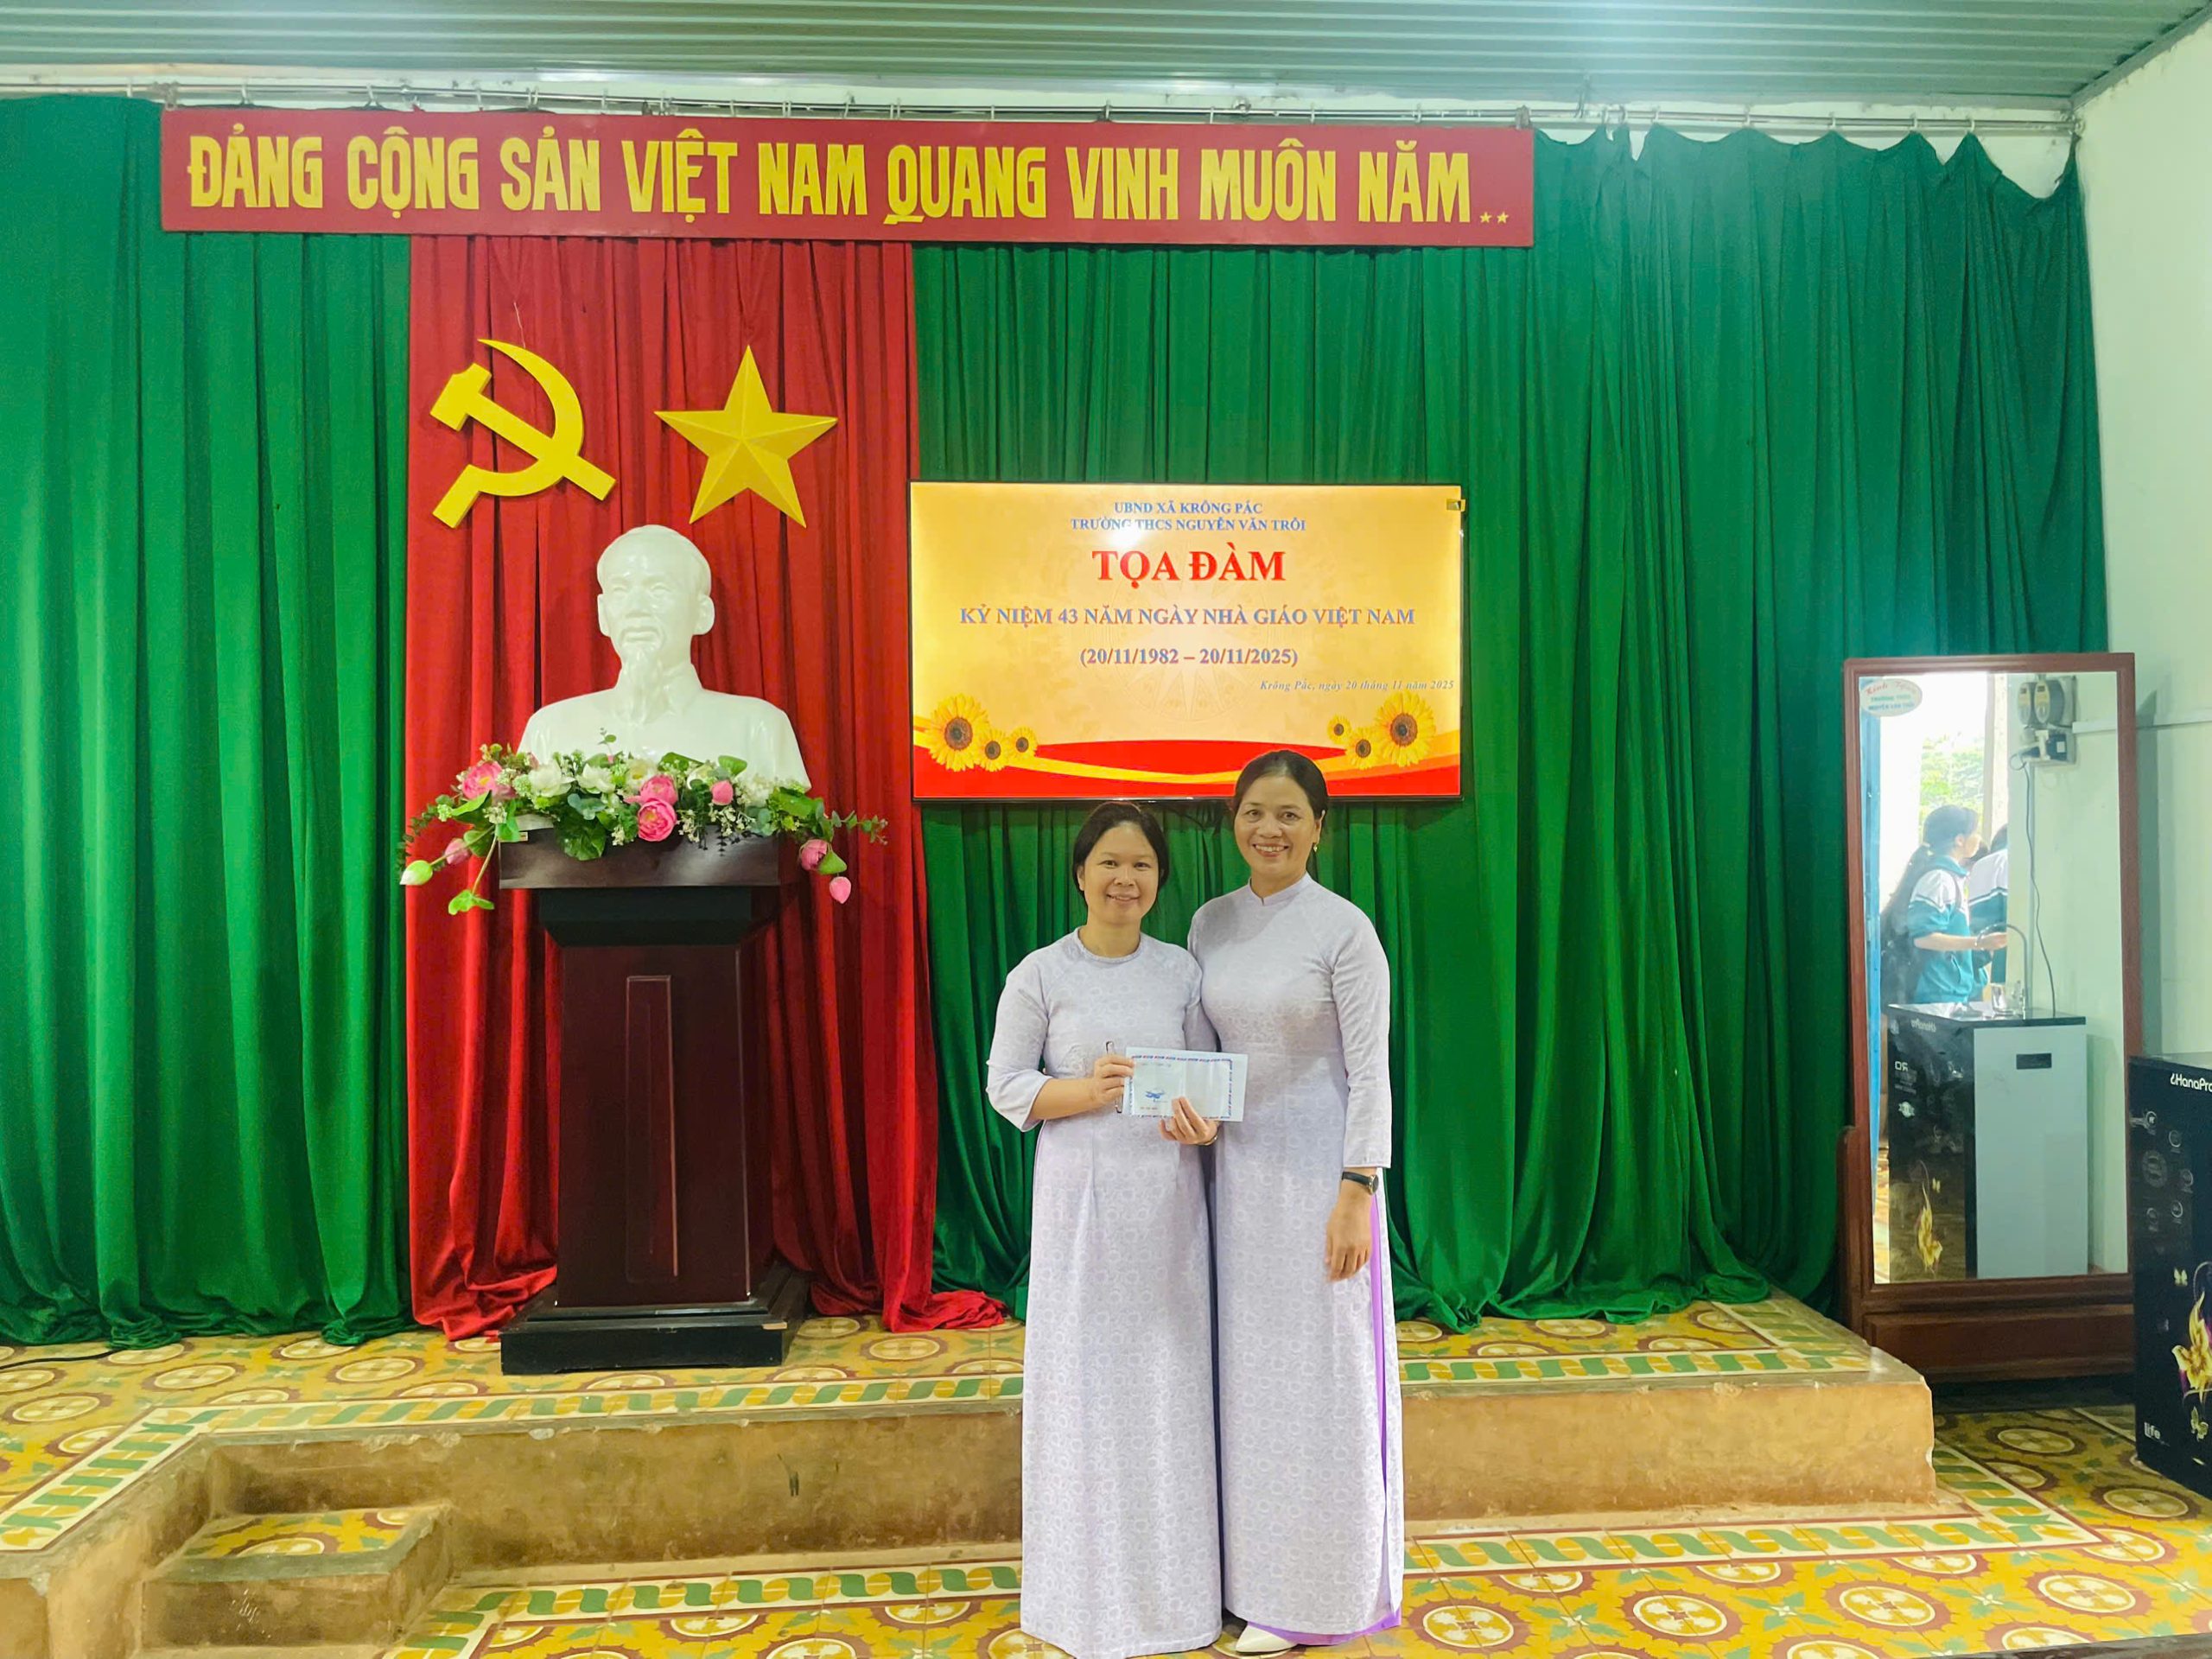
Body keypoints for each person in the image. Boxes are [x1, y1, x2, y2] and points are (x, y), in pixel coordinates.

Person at [985, 801, 1223, 1659]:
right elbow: (1006, 1086)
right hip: (1080, 1205)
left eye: (1142, 865)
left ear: (1160, 880)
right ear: (1080, 873)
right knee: (1083, 1386)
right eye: (1110, 863)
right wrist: (1088, 1091)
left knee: (1166, 1383)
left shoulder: (1182, 973)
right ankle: (1079, 1594)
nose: (1126, 879)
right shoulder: (1040, 975)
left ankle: (1175, 1595)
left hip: (1166, 1205)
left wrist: (1204, 1123)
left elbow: (1208, 1085)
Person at [1187, 752, 1402, 1654]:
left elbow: (1370, 1072)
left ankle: (1316, 1589)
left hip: (1321, 1178)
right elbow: (1202, 1055)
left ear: (1320, 827)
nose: (1268, 829)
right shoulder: (1209, 922)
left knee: (1320, 1378)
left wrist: (1357, 1188)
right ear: (1232, 821)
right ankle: (1248, 1575)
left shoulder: (1344, 930)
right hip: (1233, 1181)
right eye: (1253, 812)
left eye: (1288, 814)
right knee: (1248, 1377)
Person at [1881, 804, 2005, 1006]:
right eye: (1974, 832)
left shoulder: (1949, 878)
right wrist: (1980, 942)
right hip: (1936, 992)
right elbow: (1924, 938)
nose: (1978, 838)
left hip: (1947, 991)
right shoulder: (1939, 879)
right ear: (1959, 840)